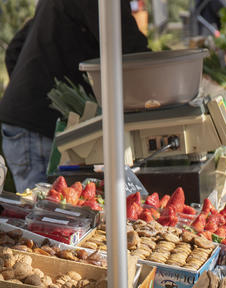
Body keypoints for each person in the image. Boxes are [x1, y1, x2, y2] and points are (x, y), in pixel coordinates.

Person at [0, 0, 148, 193]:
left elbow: (14, 50)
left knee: (45, 211)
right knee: (47, 213)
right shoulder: (104, 4)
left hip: (23, 122)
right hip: (37, 131)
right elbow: (131, 48)